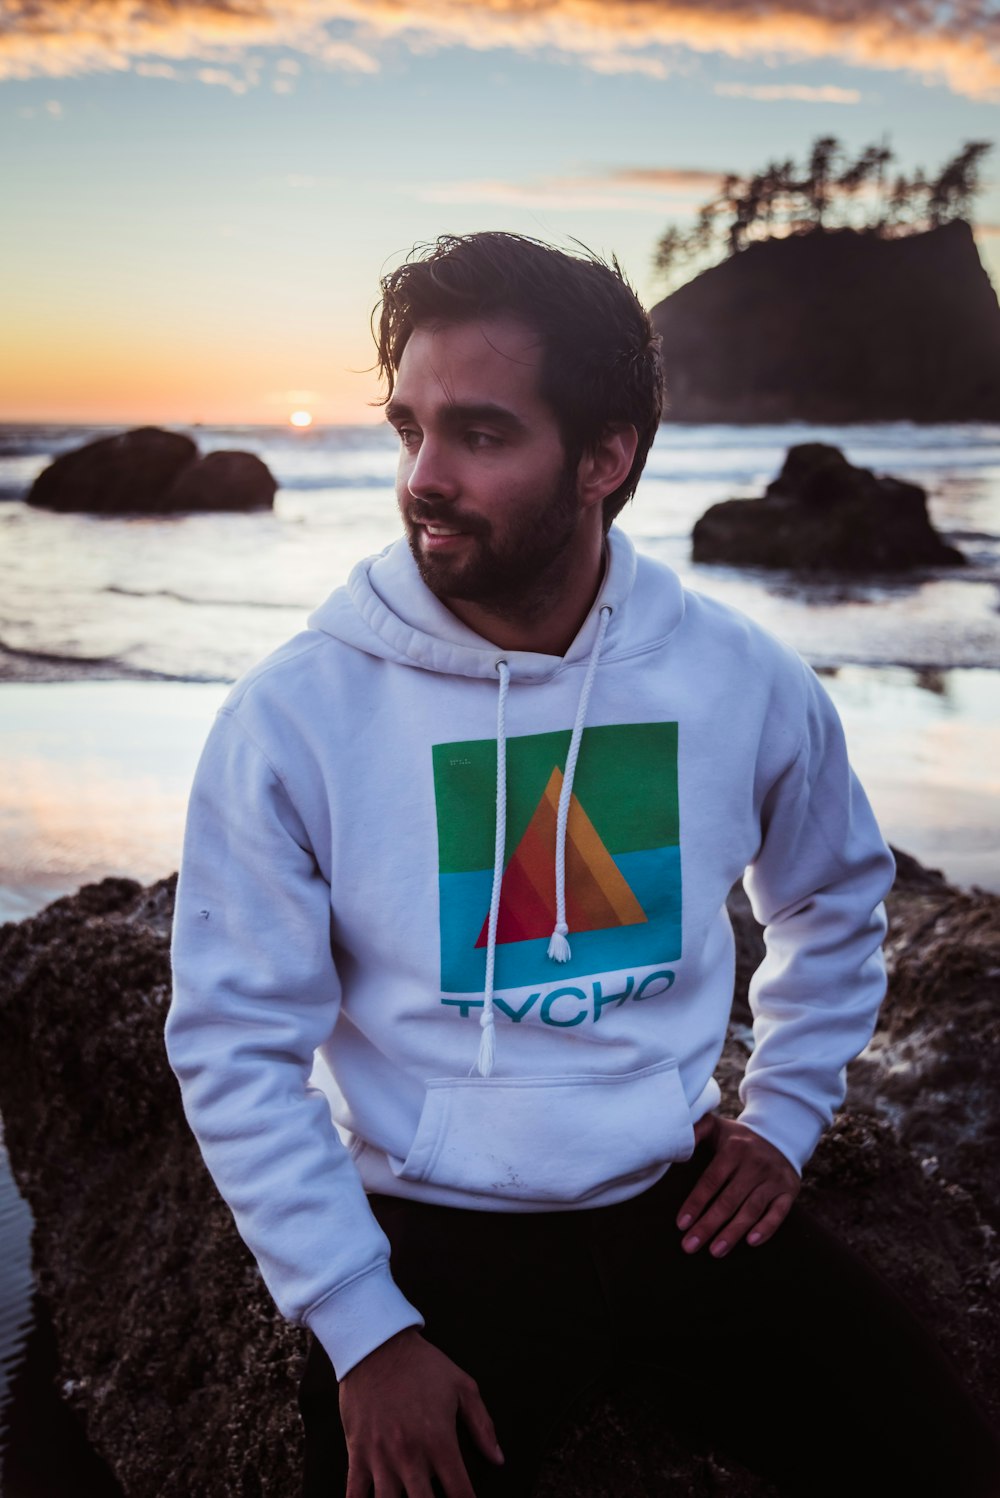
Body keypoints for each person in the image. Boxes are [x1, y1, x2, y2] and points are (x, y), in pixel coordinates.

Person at [167, 232, 1000, 1498]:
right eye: (408, 429)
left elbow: (835, 895)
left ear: (604, 458)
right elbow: (234, 1041)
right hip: (434, 1242)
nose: (423, 478)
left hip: (679, 1204)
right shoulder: (295, 717)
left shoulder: (737, 677)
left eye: (481, 435)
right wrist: (362, 1328)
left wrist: (779, 1118)